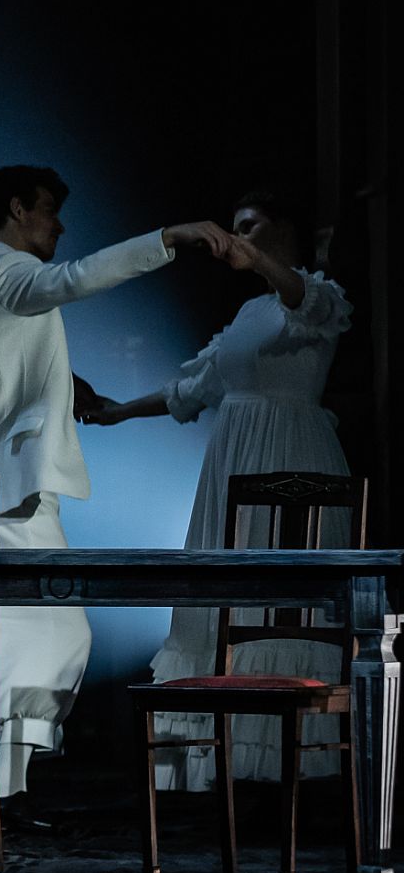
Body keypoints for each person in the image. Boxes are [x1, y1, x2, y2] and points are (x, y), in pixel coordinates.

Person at [0, 164, 229, 813]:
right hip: (7, 488)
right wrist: (171, 236)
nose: (60, 224)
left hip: (12, 486)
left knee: (36, 638)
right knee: (51, 636)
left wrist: (71, 388)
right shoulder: (2, 271)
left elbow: (11, 358)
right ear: (17, 209)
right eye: (49, 209)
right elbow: (72, 279)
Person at [86, 189, 352, 790]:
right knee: (226, 600)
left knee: (282, 602)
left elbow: (304, 299)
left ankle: (289, 765)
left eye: (249, 226)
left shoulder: (316, 294)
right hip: (233, 459)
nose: (238, 238)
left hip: (289, 451)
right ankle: (229, 764)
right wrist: (118, 411)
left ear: (284, 229)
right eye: (235, 228)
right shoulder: (249, 313)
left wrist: (254, 257)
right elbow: (194, 387)